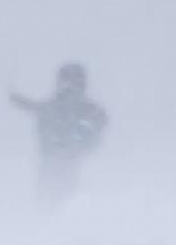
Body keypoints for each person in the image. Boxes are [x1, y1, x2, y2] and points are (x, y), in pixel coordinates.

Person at [10, 62, 108, 204]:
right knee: (56, 195)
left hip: (59, 161)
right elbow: (33, 106)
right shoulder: (81, 108)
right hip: (59, 161)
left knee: (54, 195)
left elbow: (32, 106)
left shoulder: (58, 106)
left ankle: (51, 207)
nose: (67, 87)